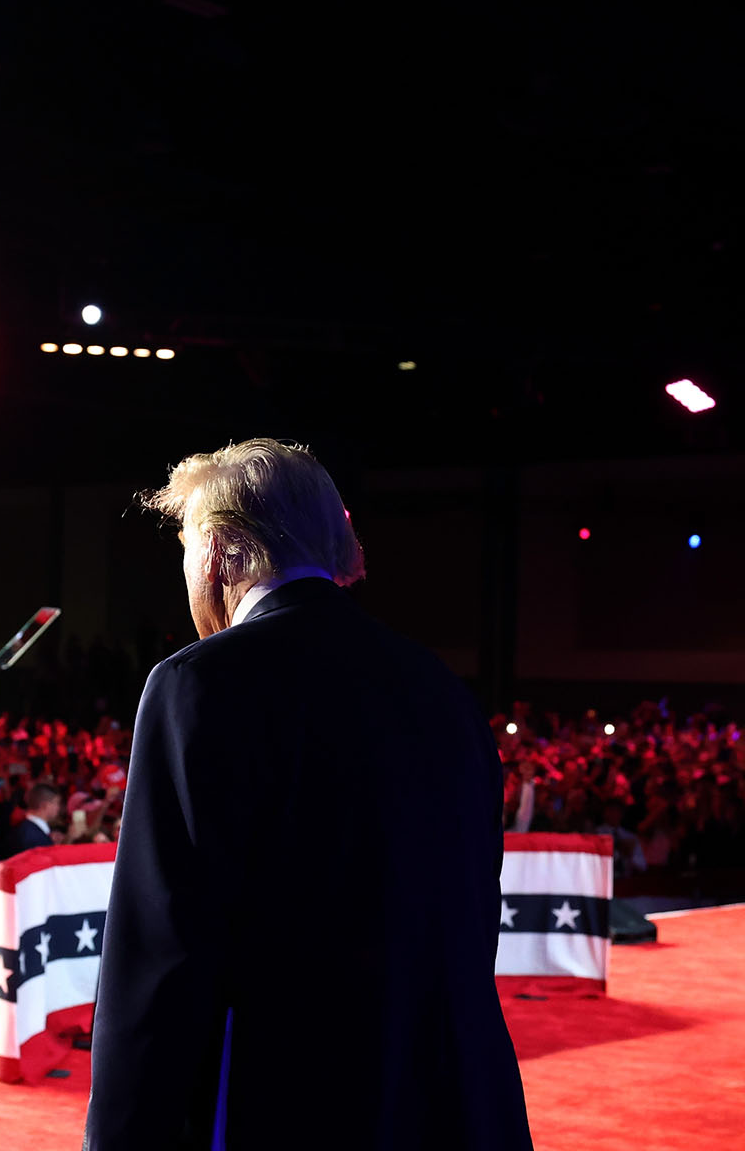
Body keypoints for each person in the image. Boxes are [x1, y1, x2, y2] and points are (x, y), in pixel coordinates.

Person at [84, 439, 532, 1149]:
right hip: (450, 1095)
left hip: (289, 1096)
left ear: (220, 553)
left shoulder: (198, 685)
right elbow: (475, 913)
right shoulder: (440, 688)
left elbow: (159, 953)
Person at [0, 782, 59, 860]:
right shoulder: (35, 838)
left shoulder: (25, 829)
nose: (58, 807)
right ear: (45, 805)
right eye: (56, 803)